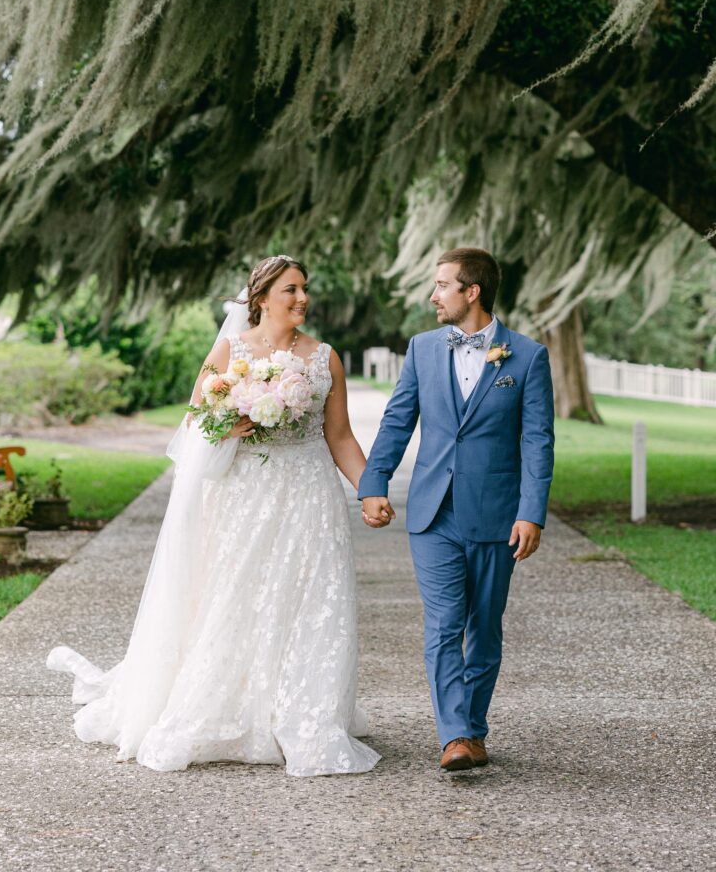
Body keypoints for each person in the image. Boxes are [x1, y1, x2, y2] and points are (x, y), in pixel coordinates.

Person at [47, 255, 380, 777]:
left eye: (305, 289)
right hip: (242, 494)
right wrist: (228, 425)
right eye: (291, 289)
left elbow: (339, 436)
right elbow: (197, 421)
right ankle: (229, 709)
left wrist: (370, 490)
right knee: (237, 594)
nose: (301, 299)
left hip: (309, 495)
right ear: (263, 295)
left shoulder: (325, 358)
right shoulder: (231, 350)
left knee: (310, 594)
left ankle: (303, 710)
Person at [358, 247, 554, 772]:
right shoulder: (422, 349)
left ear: (472, 291)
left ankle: (474, 727)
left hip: (495, 513)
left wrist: (531, 511)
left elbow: (537, 441)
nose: (432, 295)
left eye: (442, 284)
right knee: (444, 624)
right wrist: (373, 482)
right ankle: (456, 736)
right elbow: (398, 419)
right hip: (431, 513)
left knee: (484, 628)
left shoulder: (528, 357)